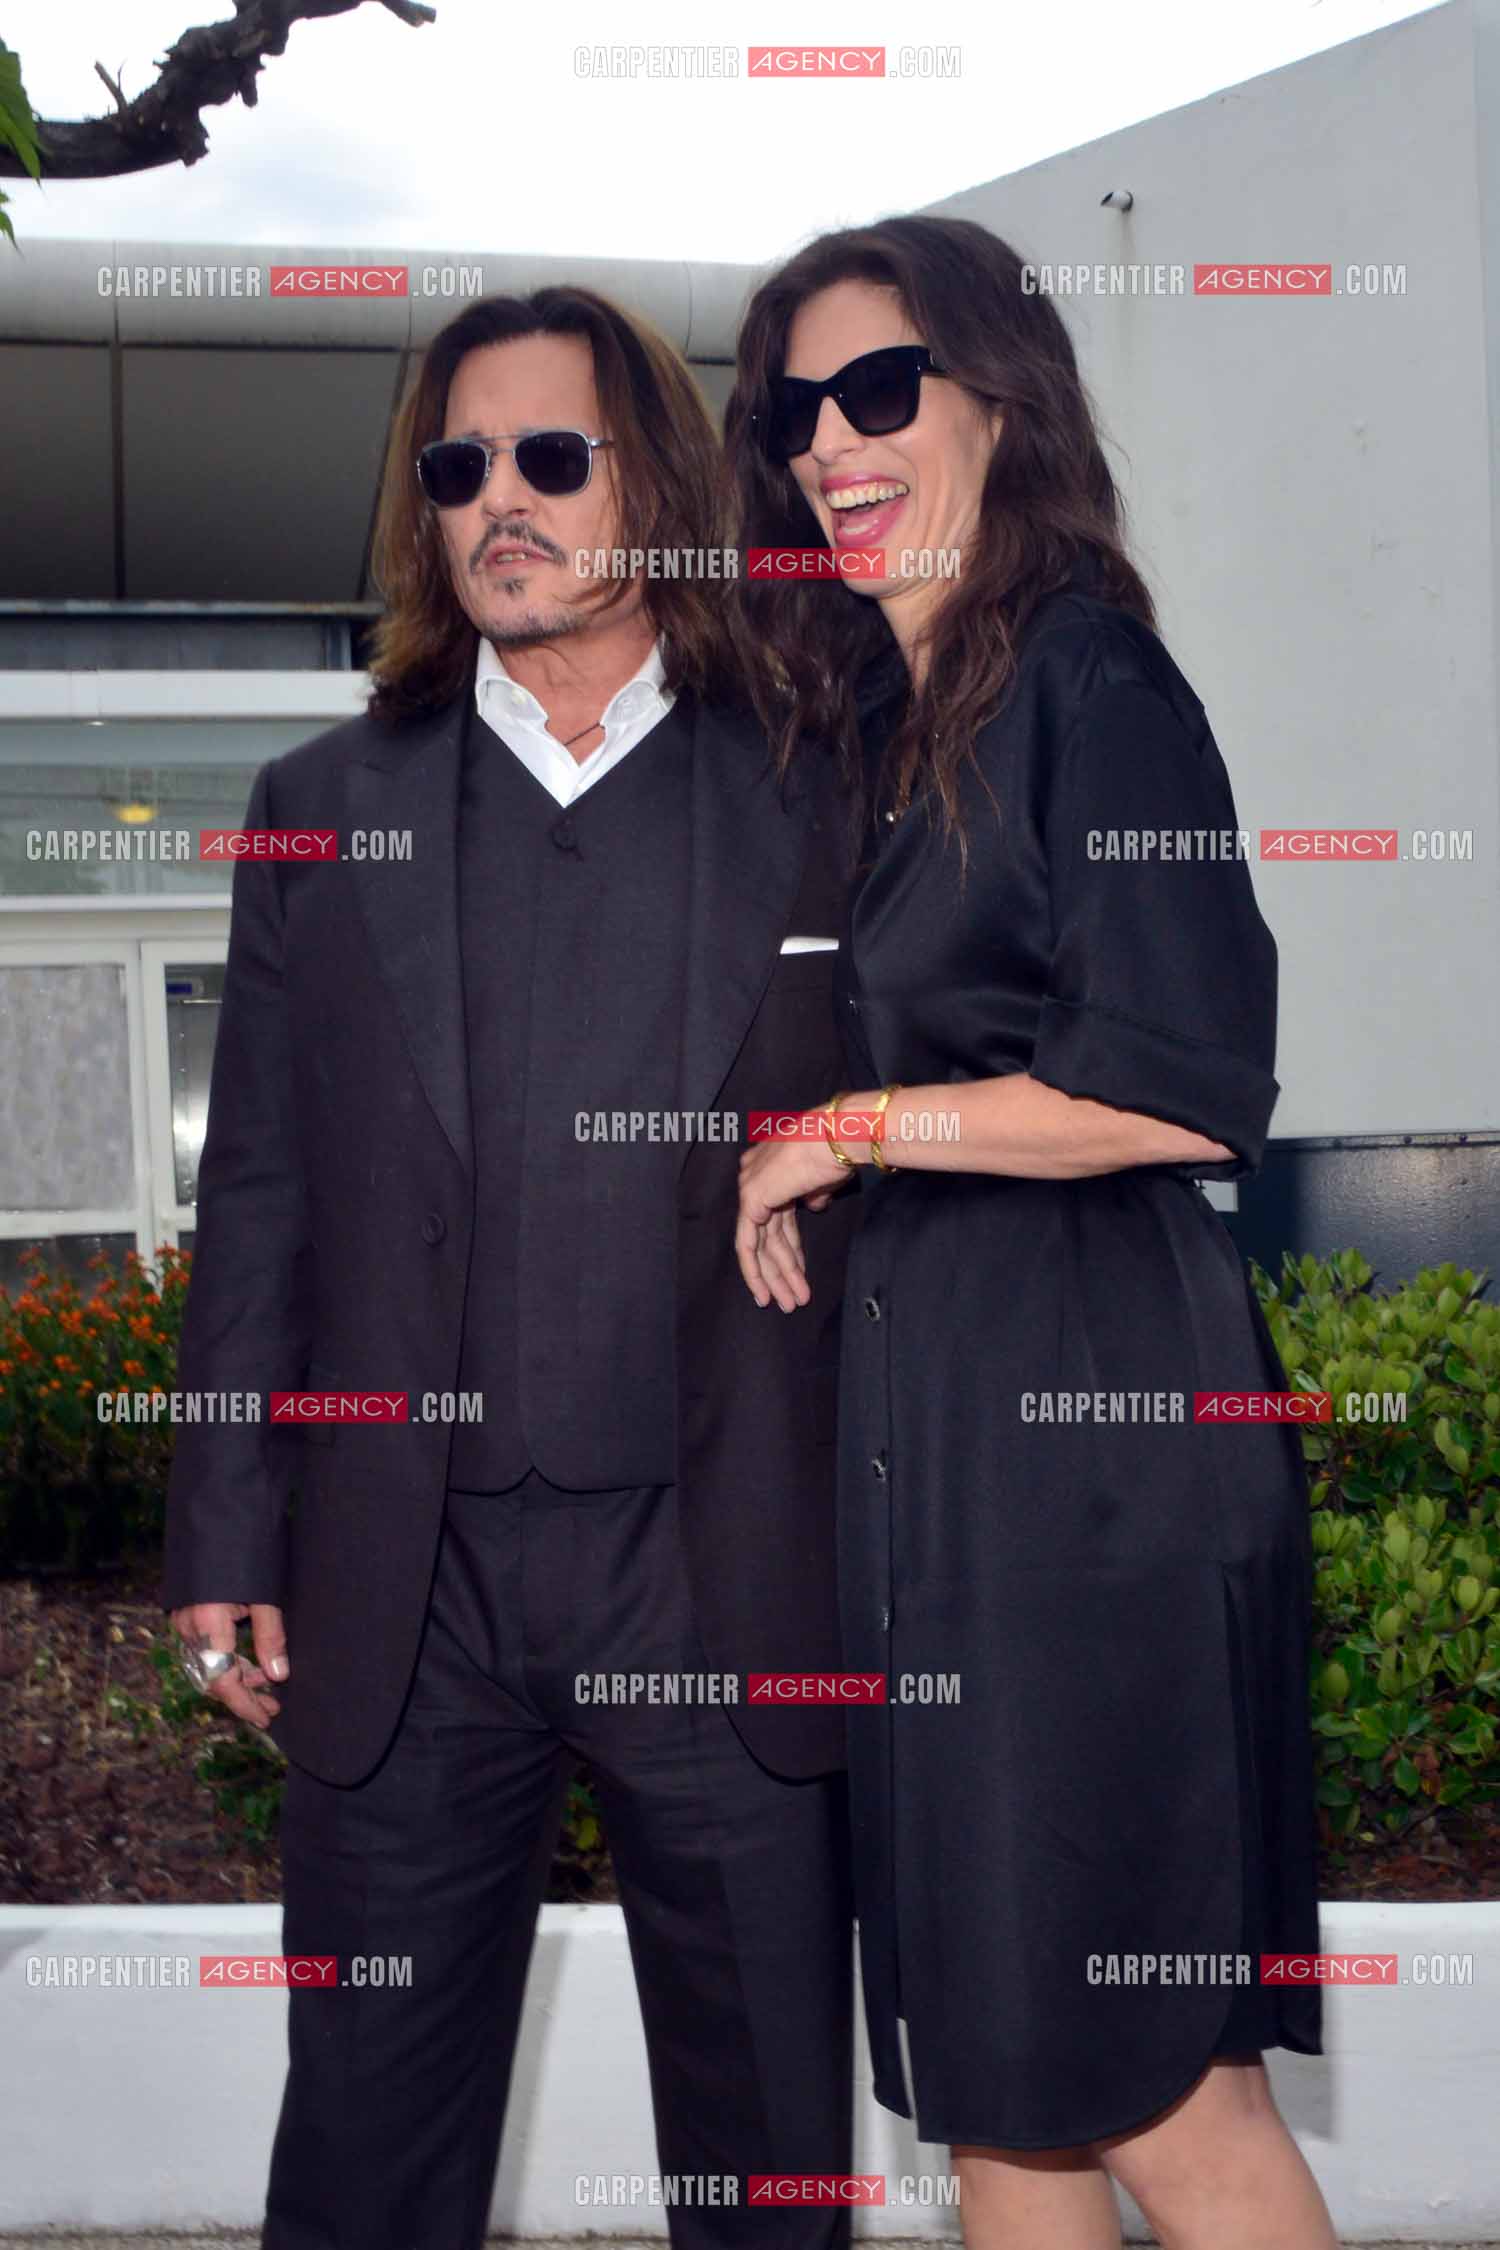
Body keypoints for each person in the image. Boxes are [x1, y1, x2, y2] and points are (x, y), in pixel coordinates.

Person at [160, 285, 860, 2250]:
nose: (502, 506)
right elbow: (267, 1197)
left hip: (724, 1562)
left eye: (552, 458)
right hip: (410, 1576)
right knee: (366, 2160)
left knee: (767, 2168)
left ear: (653, 480)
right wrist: (226, 1524)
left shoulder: (818, 780)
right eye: (459, 469)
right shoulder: (323, 809)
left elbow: (937, 1098)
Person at [728, 216, 1338, 2250]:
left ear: (1001, 396)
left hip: (1091, 1477)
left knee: (1164, 2095)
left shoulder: (1087, 665)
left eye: (880, 389)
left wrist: (853, 1127)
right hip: (956, 1475)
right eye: (794, 409)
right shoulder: (911, 726)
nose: (831, 439)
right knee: (1005, 2098)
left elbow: (1178, 1077)